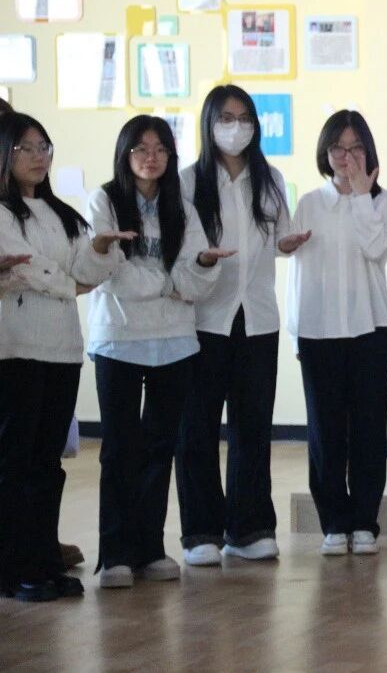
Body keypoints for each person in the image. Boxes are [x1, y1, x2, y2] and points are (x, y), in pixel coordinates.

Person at [88, 116, 232, 589]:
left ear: (171, 156)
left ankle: (148, 547)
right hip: (119, 339)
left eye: (160, 149)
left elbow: (195, 280)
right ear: (125, 153)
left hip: (175, 341)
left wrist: (203, 265)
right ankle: (115, 553)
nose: (151, 158)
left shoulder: (181, 207)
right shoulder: (105, 201)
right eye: (141, 149)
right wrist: (171, 282)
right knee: (119, 448)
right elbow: (113, 273)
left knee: (159, 447)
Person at [176, 85, 310, 568]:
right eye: (226, 118)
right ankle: (200, 532)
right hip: (204, 319)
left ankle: (249, 528)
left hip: (257, 317)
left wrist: (288, 244)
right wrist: (204, 258)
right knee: (197, 428)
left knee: (252, 426)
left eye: (244, 118)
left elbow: (279, 236)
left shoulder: (269, 179)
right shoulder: (188, 181)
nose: (236, 127)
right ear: (209, 124)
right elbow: (180, 248)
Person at [0, 112, 131, 602]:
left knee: (47, 464)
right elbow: (30, 267)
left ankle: (44, 561)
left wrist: (98, 250)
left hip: (61, 350)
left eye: (44, 147)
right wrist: (68, 283)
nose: (38, 157)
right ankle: (15, 569)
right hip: (16, 349)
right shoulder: (3, 212)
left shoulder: (62, 214)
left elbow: (85, 270)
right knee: (15, 463)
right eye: (26, 148)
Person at [288, 110, 387, 557]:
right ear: (326, 151)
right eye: (338, 147)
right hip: (318, 330)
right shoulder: (309, 204)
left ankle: (365, 522)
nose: (346, 157)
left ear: (368, 153)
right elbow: (296, 274)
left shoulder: (384, 203)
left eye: (355, 148)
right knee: (325, 431)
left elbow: (376, 248)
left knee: (369, 429)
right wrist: (295, 330)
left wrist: (360, 197)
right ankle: (334, 522)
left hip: (370, 328)